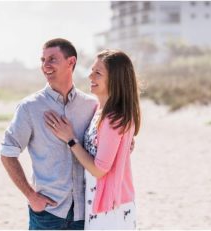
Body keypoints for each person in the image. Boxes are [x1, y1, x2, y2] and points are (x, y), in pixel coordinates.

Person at [0, 38, 98, 230]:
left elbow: (104, 144)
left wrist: (128, 142)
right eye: (43, 60)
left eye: (52, 59)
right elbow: (7, 153)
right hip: (48, 213)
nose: (45, 65)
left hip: (84, 213)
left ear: (71, 62)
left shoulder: (91, 105)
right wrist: (31, 195)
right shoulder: (30, 107)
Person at [44, 49, 140, 229]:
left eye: (98, 73)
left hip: (112, 207)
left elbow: (99, 169)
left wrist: (70, 139)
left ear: (115, 79)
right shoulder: (100, 110)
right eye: (91, 70)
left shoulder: (114, 118)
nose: (90, 76)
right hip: (100, 201)